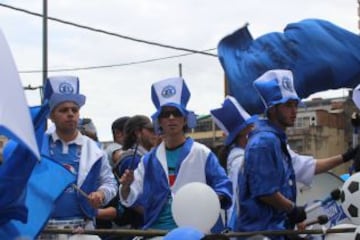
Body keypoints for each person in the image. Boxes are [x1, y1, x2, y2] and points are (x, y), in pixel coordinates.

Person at [237, 69, 360, 240]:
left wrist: (346, 156)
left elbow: (308, 166)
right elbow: (265, 192)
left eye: (295, 104)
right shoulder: (264, 143)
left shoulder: (275, 140)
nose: (294, 110)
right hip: (262, 234)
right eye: (288, 105)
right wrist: (293, 210)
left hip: (277, 231)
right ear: (272, 109)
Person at [119, 77, 232, 235]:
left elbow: (224, 186)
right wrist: (125, 186)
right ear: (160, 121)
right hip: (157, 232)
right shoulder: (148, 160)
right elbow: (129, 197)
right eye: (166, 114)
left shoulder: (202, 153)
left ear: (185, 119)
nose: (171, 118)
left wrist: (205, 201)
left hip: (195, 231)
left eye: (176, 113)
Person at [39, 76, 117, 239]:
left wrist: (101, 194)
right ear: (51, 116)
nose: (70, 114)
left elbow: (109, 182)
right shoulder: (38, 145)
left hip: (82, 228)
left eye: (74, 110)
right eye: (63, 110)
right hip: (43, 227)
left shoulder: (95, 149)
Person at [210, 95, 258, 232]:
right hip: (245, 228)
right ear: (244, 135)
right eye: (251, 129)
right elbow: (235, 200)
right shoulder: (240, 162)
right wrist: (233, 230)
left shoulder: (241, 157)